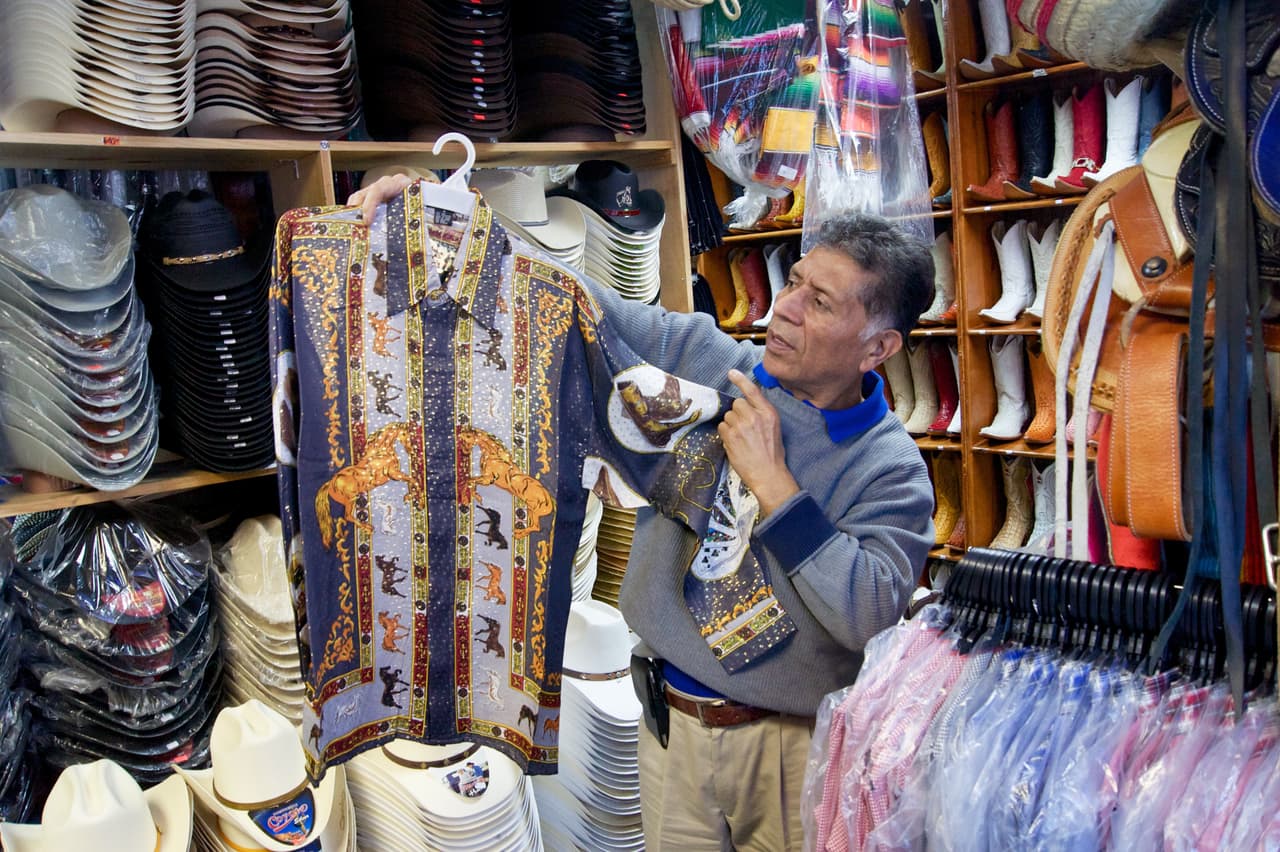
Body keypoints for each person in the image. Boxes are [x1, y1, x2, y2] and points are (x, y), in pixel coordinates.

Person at [351, 175, 936, 851]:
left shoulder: (887, 466)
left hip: (788, 751)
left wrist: (775, 485)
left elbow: (871, 614)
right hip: (669, 728)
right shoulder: (707, 365)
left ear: (878, 346)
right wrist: (455, 217)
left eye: (821, 302)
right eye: (796, 282)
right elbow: (575, 303)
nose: (786, 308)